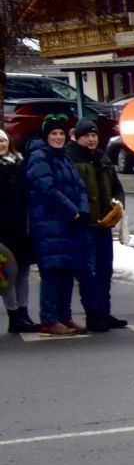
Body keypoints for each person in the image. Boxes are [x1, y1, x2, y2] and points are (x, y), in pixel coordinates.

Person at [25, 114, 89, 336]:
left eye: (61, 133)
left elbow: (79, 186)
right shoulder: (40, 156)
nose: (59, 137)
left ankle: (64, 316)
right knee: (52, 271)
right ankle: (49, 319)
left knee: (67, 270)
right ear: (46, 135)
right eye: (54, 133)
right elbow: (47, 188)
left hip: (68, 223)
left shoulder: (64, 157)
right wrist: (73, 211)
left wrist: (82, 210)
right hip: (49, 222)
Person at [68, 120, 125, 331]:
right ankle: (92, 314)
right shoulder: (71, 157)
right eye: (87, 135)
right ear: (77, 136)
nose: (91, 139)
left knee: (104, 270)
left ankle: (104, 311)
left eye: (94, 135)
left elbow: (117, 188)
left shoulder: (103, 157)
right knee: (87, 272)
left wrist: (118, 204)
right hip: (85, 225)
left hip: (104, 224)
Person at [0, 130, 32, 334]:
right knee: (8, 274)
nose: (0, 144)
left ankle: (24, 312)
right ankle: (14, 316)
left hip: (22, 226)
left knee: (23, 273)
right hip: (3, 230)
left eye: (2, 140)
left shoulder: (19, 163)